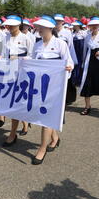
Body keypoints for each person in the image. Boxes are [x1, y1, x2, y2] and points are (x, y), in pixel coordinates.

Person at [29, 16, 73, 165]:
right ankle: (54, 138)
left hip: (55, 87)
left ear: (49, 28)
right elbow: (33, 63)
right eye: (38, 27)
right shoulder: (37, 45)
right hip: (40, 86)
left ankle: (42, 148)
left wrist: (68, 68)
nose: (38, 29)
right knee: (44, 114)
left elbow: (69, 62)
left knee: (45, 117)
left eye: (41, 27)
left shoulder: (61, 44)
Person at [0, 14, 34, 144]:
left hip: (22, 74)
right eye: (8, 25)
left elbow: (32, 56)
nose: (9, 28)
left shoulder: (26, 38)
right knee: (12, 101)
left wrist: (19, 59)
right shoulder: (5, 38)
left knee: (21, 101)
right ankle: (16, 129)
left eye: (12, 26)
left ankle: (15, 132)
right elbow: (1, 54)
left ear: (19, 25)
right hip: (9, 74)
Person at [80, 17, 99, 115]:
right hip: (89, 63)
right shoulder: (87, 37)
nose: (94, 27)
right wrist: (84, 62)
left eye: (96, 26)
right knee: (87, 83)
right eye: (92, 25)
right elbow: (85, 50)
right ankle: (87, 106)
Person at [71, 21, 86, 87]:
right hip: (74, 50)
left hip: (80, 51)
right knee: (74, 64)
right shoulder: (72, 33)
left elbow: (85, 43)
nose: (74, 26)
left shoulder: (83, 33)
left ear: (79, 26)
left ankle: (79, 80)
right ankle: (74, 80)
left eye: (76, 25)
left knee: (80, 64)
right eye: (74, 25)